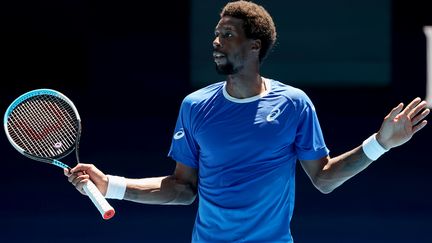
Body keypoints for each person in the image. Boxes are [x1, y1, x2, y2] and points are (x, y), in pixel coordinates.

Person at [65, 1, 430, 242]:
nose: (216, 41)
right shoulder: (194, 107)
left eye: (227, 34)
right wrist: (110, 183)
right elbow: (181, 189)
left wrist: (380, 143)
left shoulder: (293, 104)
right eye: (216, 33)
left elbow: (323, 178)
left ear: (255, 46)